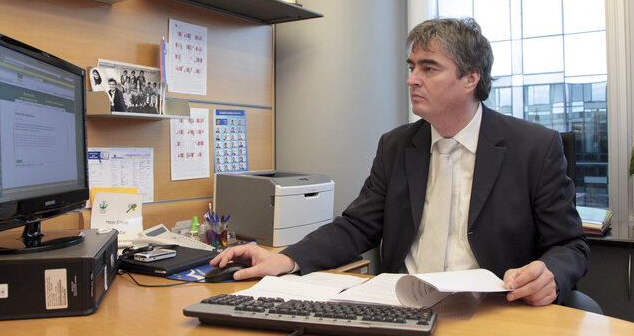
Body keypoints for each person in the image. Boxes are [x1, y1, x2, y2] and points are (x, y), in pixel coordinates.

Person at [211, 17, 589, 306]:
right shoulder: (396, 146)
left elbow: (570, 245)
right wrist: (287, 260)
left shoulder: (534, 147)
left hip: (492, 311)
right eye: (412, 67)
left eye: (429, 68)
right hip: (403, 306)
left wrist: (550, 275)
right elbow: (357, 226)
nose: (412, 80)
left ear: (470, 79)